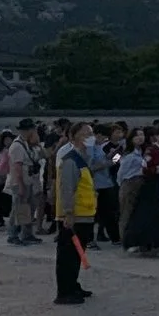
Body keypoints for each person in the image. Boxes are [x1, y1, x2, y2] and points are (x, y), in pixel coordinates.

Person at [53, 122, 98, 306]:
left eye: (91, 133)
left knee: (77, 254)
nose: (90, 136)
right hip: (75, 215)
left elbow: (101, 166)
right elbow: (67, 188)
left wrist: (117, 157)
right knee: (68, 255)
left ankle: (73, 285)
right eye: (86, 133)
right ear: (74, 137)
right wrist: (68, 213)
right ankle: (64, 291)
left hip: (85, 213)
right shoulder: (70, 159)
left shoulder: (83, 157)